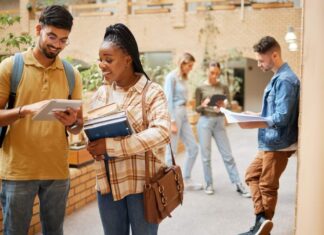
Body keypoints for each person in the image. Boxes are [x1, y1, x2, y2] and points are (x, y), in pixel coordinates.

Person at [0, 5, 83, 235]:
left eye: (63, 40)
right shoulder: (11, 67)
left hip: (57, 171)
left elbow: (78, 125)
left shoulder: (71, 74)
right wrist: (24, 110)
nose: (57, 45)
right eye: (52, 36)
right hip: (18, 171)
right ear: (38, 29)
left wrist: (72, 123)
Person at [86, 23, 170, 235]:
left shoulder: (152, 92)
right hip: (108, 185)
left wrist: (112, 147)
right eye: (100, 59)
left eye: (108, 59)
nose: (102, 65)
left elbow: (162, 132)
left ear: (128, 58)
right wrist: (78, 126)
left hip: (143, 186)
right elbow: (90, 127)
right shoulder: (102, 93)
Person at [238, 36, 300, 235]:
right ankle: (261, 221)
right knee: (251, 175)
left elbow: (282, 117)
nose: (258, 64)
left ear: (275, 54)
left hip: (278, 143)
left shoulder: (286, 80)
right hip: (268, 142)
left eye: (261, 60)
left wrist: (253, 123)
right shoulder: (278, 77)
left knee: (267, 186)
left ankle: (263, 228)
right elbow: (273, 112)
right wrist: (253, 115)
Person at [195, 61, 251, 197]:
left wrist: (223, 106)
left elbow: (230, 105)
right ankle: (209, 183)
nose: (214, 76)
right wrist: (203, 105)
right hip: (205, 123)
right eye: (212, 73)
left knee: (228, 155)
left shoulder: (223, 86)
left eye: (217, 73)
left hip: (219, 122)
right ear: (207, 71)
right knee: (206, 157)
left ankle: (238, 184)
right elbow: (196, 108)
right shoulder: (200, 88)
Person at [163, 52, 202, 191]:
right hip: (174, 115)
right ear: (183, 63)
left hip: (184, 113)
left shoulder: (183, 78)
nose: (191, 68)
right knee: (171, 152)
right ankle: (169, 184)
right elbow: (167, 100)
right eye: (189, 65)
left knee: (193, 148)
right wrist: (172, 121)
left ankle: (186, 178)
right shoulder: (171, 78)